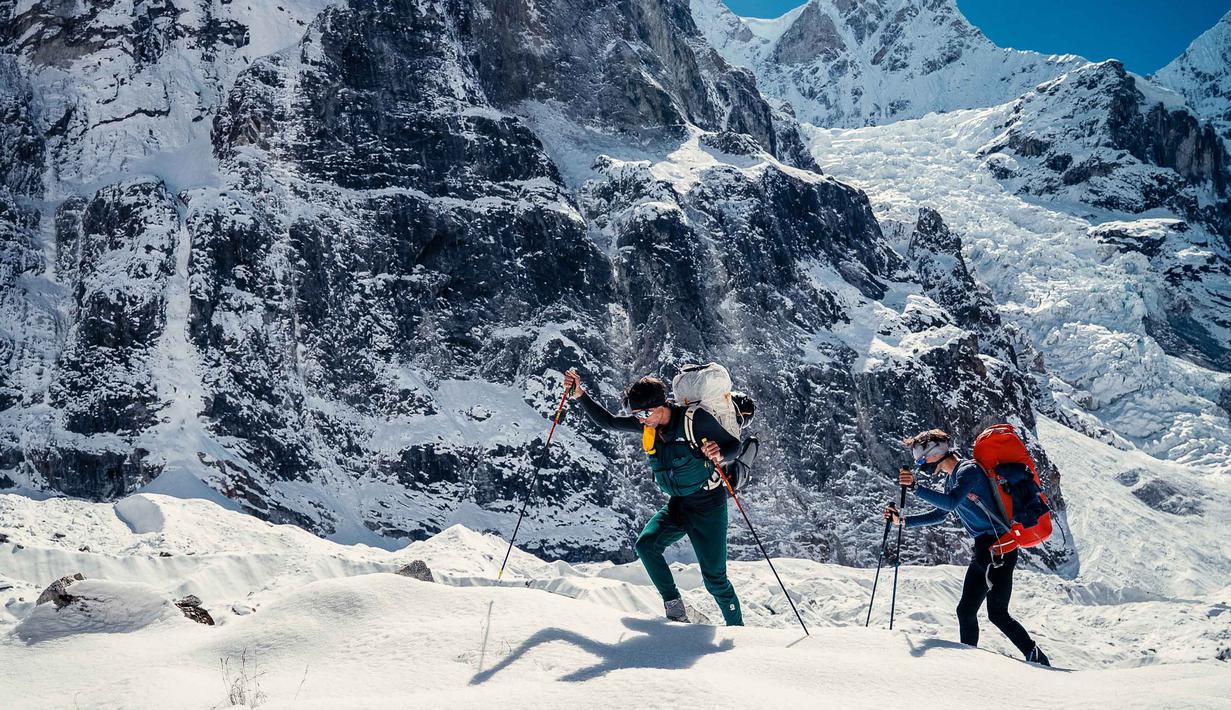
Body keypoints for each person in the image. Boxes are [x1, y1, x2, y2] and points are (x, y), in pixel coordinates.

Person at [563, 368, 743, 626]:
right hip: (679, 505)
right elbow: (609, 422)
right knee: (646, 546)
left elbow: (733, 446)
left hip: (708, 506)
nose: (642, 420)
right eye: (637, 415)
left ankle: (739, 631)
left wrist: (719, 453)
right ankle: (675, 610)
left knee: (715, 580)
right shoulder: (650, 425)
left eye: (646, 413)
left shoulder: (695, 420)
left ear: (661, 405)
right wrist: (579, 394)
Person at [883, 428, 1050, 666]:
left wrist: (916, 488)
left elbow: (950, 504)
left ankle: (1039, 660)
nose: (921, 464)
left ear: (937, 452)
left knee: (997, 613)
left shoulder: (968, 471)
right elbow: (940, 514)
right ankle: (969, 664)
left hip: (1000, 548)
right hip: (985, 551)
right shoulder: (953, 479)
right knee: (966, 611)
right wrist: (904, 521)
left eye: (922, 457)